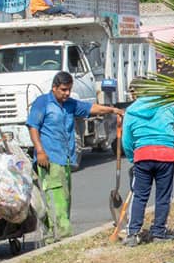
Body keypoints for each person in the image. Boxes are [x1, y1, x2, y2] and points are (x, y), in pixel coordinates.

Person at [27, 72, 124, 241]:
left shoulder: (69, 104)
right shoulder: (42, 103)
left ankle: (52, 236)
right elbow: (33, 126)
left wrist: (113, 110)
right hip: (49, 159)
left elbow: (90, 108)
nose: (66, 93)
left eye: (69, 90)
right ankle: (62, 237)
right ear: (54, 88)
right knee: (56, 197)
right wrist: (40, 151)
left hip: (65, 158)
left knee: (65, 197)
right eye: (63, 90)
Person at [121, 96, 174, 247]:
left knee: (139, 196)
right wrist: (172, 100)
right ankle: (158, 232)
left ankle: (133, 233)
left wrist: (132, 158)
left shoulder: (132, 110)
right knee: (163, 196)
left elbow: (126, 140)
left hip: (142, 155)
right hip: (166, 154)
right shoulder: (166, 104)